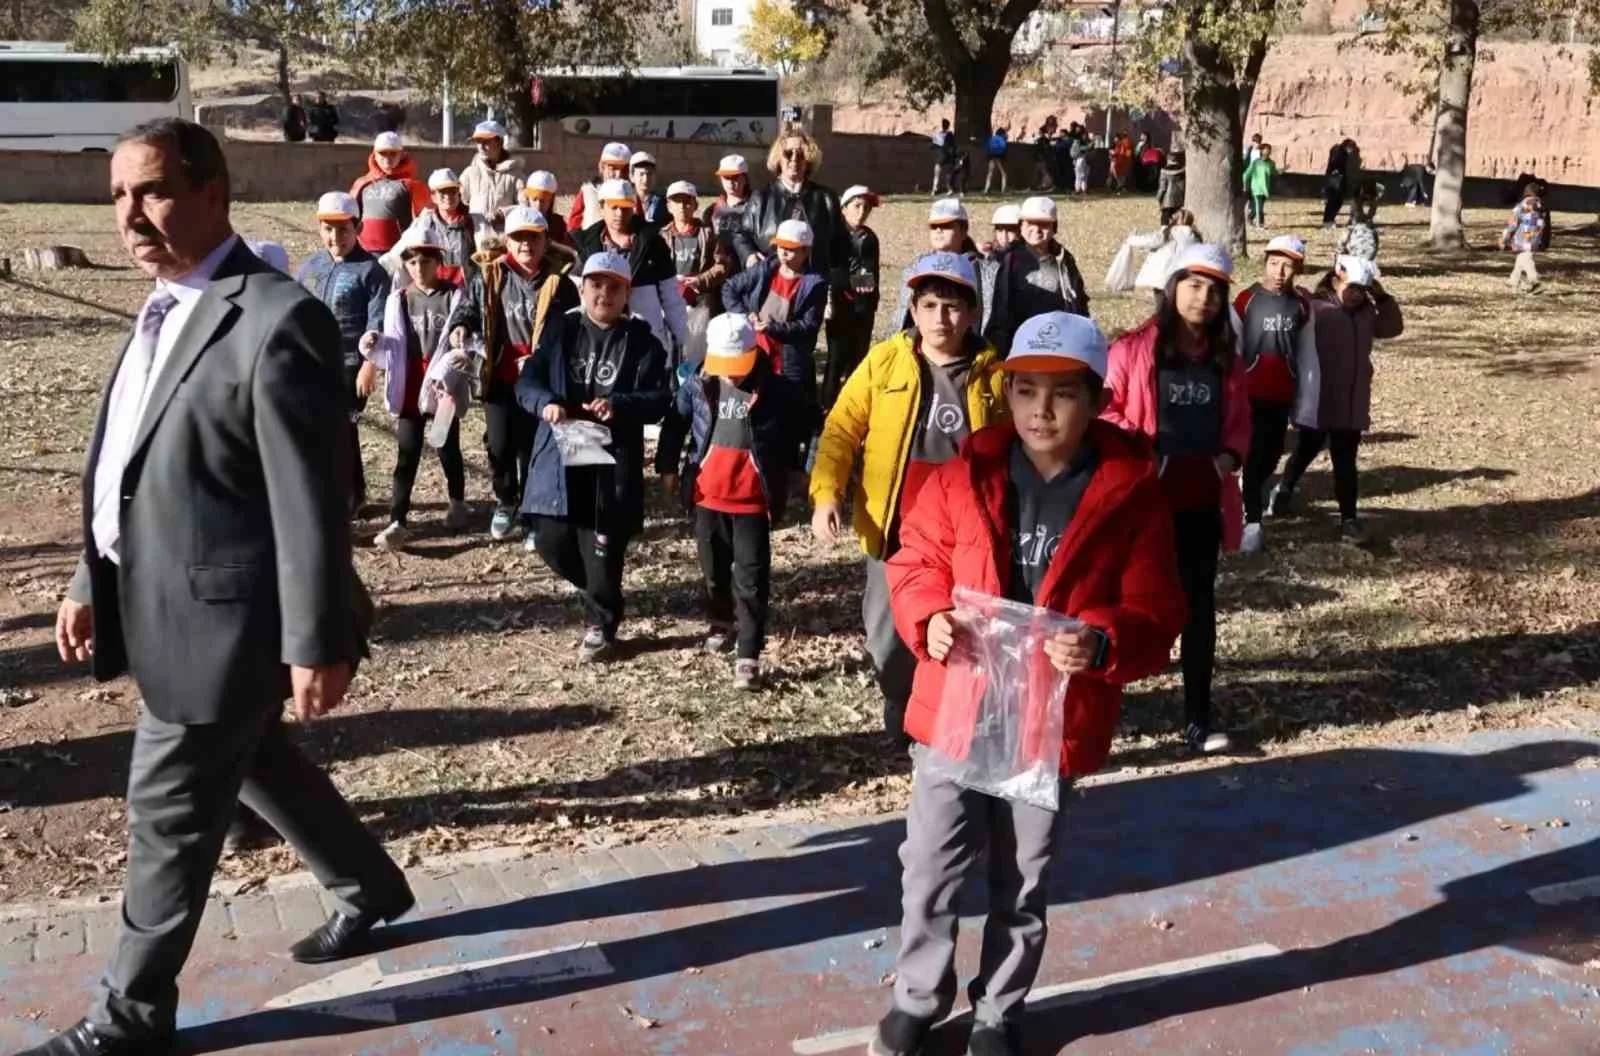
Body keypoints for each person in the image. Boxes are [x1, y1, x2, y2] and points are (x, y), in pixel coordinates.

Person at [31, 117, 412, 1056]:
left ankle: (129, 1014)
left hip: (227, 620)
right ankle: (369, 885)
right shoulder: (165, 307)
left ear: (213, 192)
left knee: (165, 810)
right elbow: (129, 460)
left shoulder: (277, 318)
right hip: (155, 597)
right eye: (118, 196)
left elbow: (313, 498)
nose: (132, 216)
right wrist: (92, 570)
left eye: (153, 191)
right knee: (254, 758)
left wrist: (317, 638)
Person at [868, 312, 1185, 1056]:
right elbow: (913, 560)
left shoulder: (1130, 494)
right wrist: (929, 618)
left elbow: (1158, 608)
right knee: (931, 868)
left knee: (1022, 880)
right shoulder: (963, 473)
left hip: (1049, 719)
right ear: (1005, 396)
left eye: (1063, 394)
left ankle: (997, 1012)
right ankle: (918, 997)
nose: (1041, 411)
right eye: (1026, 392)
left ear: (1097, 397)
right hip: (958, 703)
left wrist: (1103, 638)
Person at [809, 252, 1007, 741]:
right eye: (931, 305)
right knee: (887, 635)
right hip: (894, 527)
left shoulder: (995, 374)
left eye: (953, 307)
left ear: (972, 312)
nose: (942, 318)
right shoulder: (885, 361)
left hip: (966, 531)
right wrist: (826, 493)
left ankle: (950, 718)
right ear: (914, 311)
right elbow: (841, 428)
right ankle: (900, 701)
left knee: (962, 628)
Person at [1102, 243, 1251, 756]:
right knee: (1121, 609)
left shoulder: (1226, 356)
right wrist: (1143, 452)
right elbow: (1106, 413)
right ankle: (1104, 720)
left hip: (1201, 505)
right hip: (1142, 507)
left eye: (1214, 290)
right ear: (1171, 288)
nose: (1203, 298)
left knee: (1199, 610)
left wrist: (1227, 459)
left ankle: (1197, 719)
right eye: (1193, 285)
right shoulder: (1132, 349)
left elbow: (1240, 424)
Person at [516, 251, 671, 662]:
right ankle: (602, 592)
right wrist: (544, 402)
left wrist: (620, 404)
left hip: (610, 454)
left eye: (614, 287)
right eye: (596, 285)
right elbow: (527, 381)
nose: (604, 293)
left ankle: (600, 624)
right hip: (560, 448)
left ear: (627, 294)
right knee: (550, 536)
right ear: (582, 289)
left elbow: (659, 399)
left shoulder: (643, 343)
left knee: (601, 539)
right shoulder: (560, 330)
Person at [656, 314, 817, 689]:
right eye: (724, 367)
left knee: (751, 579)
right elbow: (676, 423)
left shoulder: (779, 392)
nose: (731, 376)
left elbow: (815, 424)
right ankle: (721, 619)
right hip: (707, 497)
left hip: (752, 503)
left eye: (738, 367)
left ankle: (748, 653)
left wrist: (807, 468)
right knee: (713, 570)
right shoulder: (698, 384)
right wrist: (668, 465)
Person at [447, 205, 580, 545]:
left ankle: (532, 512)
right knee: (499, 443)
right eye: (518, 238)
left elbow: (571, 333)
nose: (526, 246)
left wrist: (539, 361)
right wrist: (461, 326)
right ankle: (506, 500)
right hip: (500, 374)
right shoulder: (490, 275)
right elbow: (469, 309)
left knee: (531, 446)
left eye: (533, 239)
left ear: (545, 241)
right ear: (507, 240)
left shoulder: (560, 284)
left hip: (539, 379)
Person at [1271, 255, 1403, 543]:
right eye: (1352, 287)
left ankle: (1349, 518)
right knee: (1307, 447)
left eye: (1362, 289)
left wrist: (1382, 298)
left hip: (1353, 400)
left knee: (1346, 460)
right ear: (1335, 279)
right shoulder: (1315, 309)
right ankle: (1284, 488)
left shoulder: (1367, 312)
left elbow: (1392, 328)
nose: (1357, 294)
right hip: (1319, 397)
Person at [363, 233, 471, 550]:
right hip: (410, 385)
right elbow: (391, 339)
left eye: (425, 261)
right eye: (411, 261)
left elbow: (464, 338)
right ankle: (398, 519)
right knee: (406, 452)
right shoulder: (399, 298)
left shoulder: (454, 297)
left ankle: (457, 502)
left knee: (445, 445)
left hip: (441, 385)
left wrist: (458, 351)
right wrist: (373, 342)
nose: (418, 267)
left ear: (438, 264)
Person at [295, 191, 391, 514]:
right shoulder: (311, 266)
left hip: (349, 365)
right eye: (328, 229)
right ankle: (346, 491)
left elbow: (378, 321)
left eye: (343, 229)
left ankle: (347, 497)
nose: (335, 237)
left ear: (358, 227)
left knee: (341, 427)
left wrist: (369, 364)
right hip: (311, 362)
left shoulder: (371, 272)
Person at [1233, 234, 1310, 553]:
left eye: (1287, 266)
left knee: (1272, 453)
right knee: (1253, 457)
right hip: (1250, 393)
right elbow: (1234, 345)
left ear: (1298, 270)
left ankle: (1251, 489)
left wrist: (1304, 396)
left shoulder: (1301, 306)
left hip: (1282, 395)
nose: (1279, 272)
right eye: (1274, 263)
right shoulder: (1246, 299)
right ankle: (1252, 524)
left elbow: (1307, 355)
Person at [573, 178, 690, 373]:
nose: (620, 213)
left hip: (646, 336)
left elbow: (671, 297)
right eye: (614, 207)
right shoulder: (586, 244)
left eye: (625, 207)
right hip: (601, 341)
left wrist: (684, 341)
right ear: (602, 207)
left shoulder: (652, 242)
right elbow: (581, 296)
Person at [733, 127, 850, 295]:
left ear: (808, 160)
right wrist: (750, 255)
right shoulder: (761, 197)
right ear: (778, 159)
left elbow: (841, 245)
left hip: (813, 288)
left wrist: (833, 284)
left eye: (801, 154)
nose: (794, 159)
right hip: (770, 286)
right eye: (788, 153)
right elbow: (741, 234)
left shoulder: (826, 198)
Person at [720, 218, 827, 399]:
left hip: (790, 357)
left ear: (806, 250)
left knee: (790, 400)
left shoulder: (814, 284)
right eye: (780, 247)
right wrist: (745, 315)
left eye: (790, 249)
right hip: (755, 348)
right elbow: (729, 288)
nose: (783, 253)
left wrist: (772, 328)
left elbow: (809, 325)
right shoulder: (764, 270)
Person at [984, 196, 1091, 357]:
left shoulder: (1064, 260)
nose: (1036, 229)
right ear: (1021, 226)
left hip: (1060, 344)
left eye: (1044, 224)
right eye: (1030, 223)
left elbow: (1079, 304)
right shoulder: (1009, 260)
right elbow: (1000, 312)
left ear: (1054, 228)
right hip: (1020, 346)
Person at [822, 184, 881, 411]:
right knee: (836, 358)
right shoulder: (834, 236)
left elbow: (871, 275)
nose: (862, 212)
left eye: (866, 207)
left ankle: (852, 408)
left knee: (858, 359)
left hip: (864, 308)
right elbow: (835, 273)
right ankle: (827, 407)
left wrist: (867, 289)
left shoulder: (870, 238)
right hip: (839, 305)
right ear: (843, 208)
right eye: (856, 206)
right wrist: (858, 282)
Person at [379, 167, 491, 285]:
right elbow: (399, 251)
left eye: (452, 191)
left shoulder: (476, 221)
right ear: (433, 197)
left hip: (469, 287)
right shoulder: (424, 222)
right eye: (442, 193)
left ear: (459, 194)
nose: (448, 197)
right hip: (436, 289)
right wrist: (380, 267)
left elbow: (490, 252)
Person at [894, 198, 983, 332]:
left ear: (964, 231)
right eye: (934, 226)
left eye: (947, 225)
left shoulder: (983, 269)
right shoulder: (914, 267)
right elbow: (903, 316)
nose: (939, 230)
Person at [348, 131, 430, 254]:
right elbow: (350, 216)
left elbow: (427, 221)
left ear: (401, 155)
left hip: (398, 252)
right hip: (364, 251)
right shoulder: (362, 183)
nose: (387, 159)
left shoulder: (412, 186)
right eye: (382, 153)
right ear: (374, 154)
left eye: (393, 154)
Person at [1104, 208, 1198, 294]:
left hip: (1164, 275)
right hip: (1185, 274)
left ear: (1177, 220)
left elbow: (1153, 240)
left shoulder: (1173, 232)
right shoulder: (1195, 236)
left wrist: (1132, 240)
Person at [460, 119, 525, 223]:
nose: (481, 146)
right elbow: (459, 204)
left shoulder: (516, 174)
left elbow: (525, 208)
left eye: (485, 141)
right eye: (478, 141)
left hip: (505, 237)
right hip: (476, 237)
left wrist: (504, 213)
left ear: (499, 142)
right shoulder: (469, 174)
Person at [567, 141, 633, 234]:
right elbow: (573, 228)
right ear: (602, 167)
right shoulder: (588, 191)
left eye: (624, 170)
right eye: (613, 168)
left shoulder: (632, 195)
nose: (618, 174)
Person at [703, 154, 753, 267]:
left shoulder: (756, 207)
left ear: (745, 178)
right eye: (726, 177)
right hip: (718, 273)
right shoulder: (711, 211)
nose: (730, 183)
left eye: (735, 177)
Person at [979, 203, 1021, 333]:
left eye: (1010, 230)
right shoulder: (990, 254)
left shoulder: (1023, 258)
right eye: (999, 230)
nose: (1004, 236)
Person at [1502, 184, 1547, 293]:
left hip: (1524, 237)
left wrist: (1506, 236)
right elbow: (1543, 222)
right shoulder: (1541, 205)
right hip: (1536, 236)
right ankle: (1513, 280)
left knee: (1526, 258)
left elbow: (1513, 222)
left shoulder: (1523, 205)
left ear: (1526, 192)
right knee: (1521, 258)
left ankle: (1534, 280)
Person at [521, 169, 570, 246]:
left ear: (551, 201)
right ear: (528, 199)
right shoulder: (520, 221)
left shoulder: (558, 224)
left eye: (543, 201)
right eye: (534, 199)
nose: (538, 205)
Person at [1243, 142, 1279, 229]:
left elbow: (1274, 173)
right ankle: (1259, 225)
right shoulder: (1256, 162)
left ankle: (1250, 218)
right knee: (1258, 207)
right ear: (1262, 151)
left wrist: (1283, 169)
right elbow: (1247, 174)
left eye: (1269, 151)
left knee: (1259, 208)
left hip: (1265, 188)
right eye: (1266, 150)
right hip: (1256, 188)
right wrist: (1244, 185)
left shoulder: (1271, 163)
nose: (1267, 152)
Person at [1322, 138, 1356, 228]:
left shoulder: (1342, 152)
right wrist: (1336, 171)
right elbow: (1334, 164)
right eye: (1351, 148)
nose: (1351, 150)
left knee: (1338, 201)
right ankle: (1327, 221)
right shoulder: (1338, 151)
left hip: (1338, 180)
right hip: (1334, 180)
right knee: (1333, 201)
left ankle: (1330, 219)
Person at [630, 151, 668, 228]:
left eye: (649, 174)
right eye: (641, 174)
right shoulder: (626, 202)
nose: (645, 179)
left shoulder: (663, 204)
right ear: (632, 177)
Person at [1157, 148, 1187, 225]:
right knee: (1178, 220)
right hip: (1179, 200)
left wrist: (1159, 198)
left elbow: (1162, 188)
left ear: (1168, 159)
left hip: (1167, 201)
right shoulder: (1183, 170)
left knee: (1165, 221)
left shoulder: (1163, 171)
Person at [930, 118, 954, 196]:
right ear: (948, 126)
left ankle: (934, 189)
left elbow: (933, 146)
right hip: (948, 157)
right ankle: (949, 189)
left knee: (937, 175)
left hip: (939, 157)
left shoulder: (937, 135)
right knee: (947, 174)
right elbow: (953, 146)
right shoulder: (950, 135)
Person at [984, 125, 1009, 193]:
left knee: (990, 173)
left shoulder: (991, 138)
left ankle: (986, 189)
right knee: (1003, 174)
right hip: (999, 157)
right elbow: (1004, 148)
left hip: (991, 157)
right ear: (1002, 134)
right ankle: (1003, 190)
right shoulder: (1002, 139)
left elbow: (987, 147)